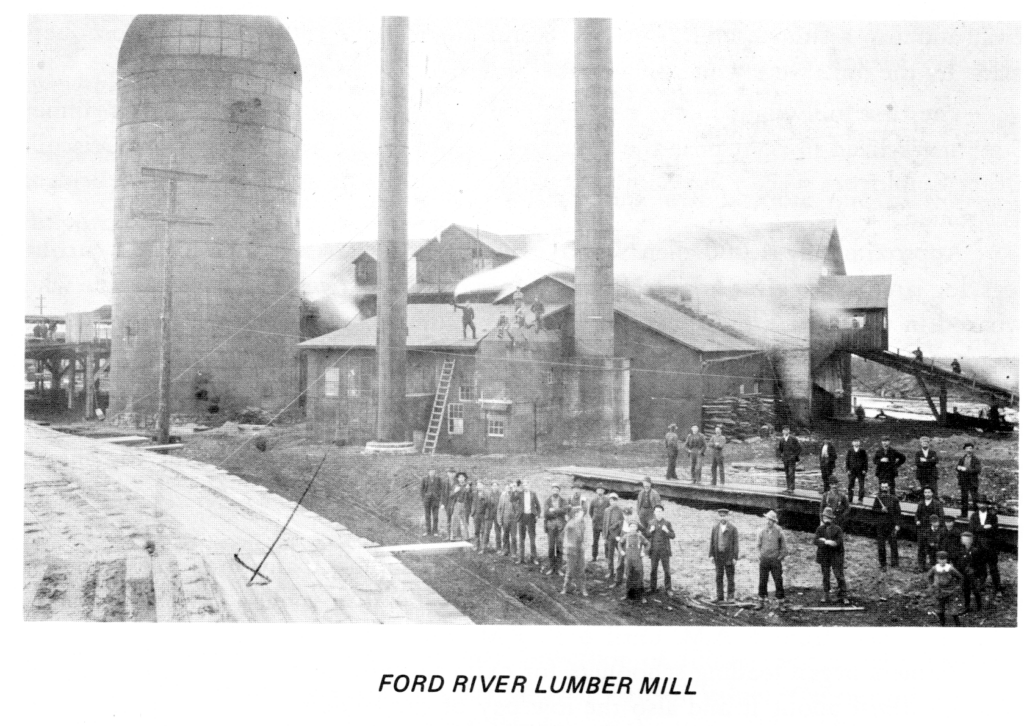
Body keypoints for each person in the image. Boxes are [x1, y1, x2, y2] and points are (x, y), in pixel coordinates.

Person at [814, 507, 849, 604]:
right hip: (824, 555)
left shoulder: (838, 529)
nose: (826, 519)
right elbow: (815, 540)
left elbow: (839, 542)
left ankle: (843, 595)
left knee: (839, 575)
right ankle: (826, 594)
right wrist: (823, 542)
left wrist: (832, 543)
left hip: (835, 555)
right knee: (825, 575)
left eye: (828, 517)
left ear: (832, 519)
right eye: (825, 517)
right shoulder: (820, 529)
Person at [969, 499, 1002, 599]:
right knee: (980, 567)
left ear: (987, 505)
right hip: (978, 546)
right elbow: (972, 529)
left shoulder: (992, 516)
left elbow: (995, 530)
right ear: (977, 504)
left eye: (984, 503)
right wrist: (985, 527)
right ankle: (980, 586)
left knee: (993, 568)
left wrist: (982, 528)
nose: (982, 505)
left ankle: (998, 588)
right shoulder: (974, 516)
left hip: (990, 546)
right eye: (980, 503)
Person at [756, 510, 787, 607]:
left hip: (775, 561)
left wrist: (779, 558)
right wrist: (759, 555)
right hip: (764, 560)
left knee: (778, 580)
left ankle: (781, 602)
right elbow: (758, 545)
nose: (768, 522)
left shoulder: (779, 532)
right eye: (767, 519)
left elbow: (784, 548)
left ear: (774, 522)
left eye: (771, 520)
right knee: (762, 580)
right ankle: (761, 600)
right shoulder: (761, 531)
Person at [709, 507, 739, 603]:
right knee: (719, 577)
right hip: (718, 556)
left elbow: (736, 544)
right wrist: (711, 555)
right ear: (719, 517)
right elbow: (712, 542)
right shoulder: (715, 527)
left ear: (727, 516)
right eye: (721, 516)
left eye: (724, 516)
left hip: (729, 556)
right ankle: (720, 597)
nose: (722, 518)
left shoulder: (733, 528)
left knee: (730, 577)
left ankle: (730, 597)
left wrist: (735, 557)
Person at [871, 481, 902, 570]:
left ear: (888, 488)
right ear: (881, 488)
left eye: (886, 487)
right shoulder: (878, 498)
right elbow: (873, 510)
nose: (884, 489)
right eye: (883, 487)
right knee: (881, 545)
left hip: (891, 525)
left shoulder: (894, 499)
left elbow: (898, 513)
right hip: (881, 525)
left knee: (893, 544)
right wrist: (881, 510)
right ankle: (883, 564)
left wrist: (897, 524)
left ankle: (894, 563)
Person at [927, 551, 963, 626]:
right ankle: (942, 623)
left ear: (947, 560)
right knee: (939, 609)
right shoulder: (935, 568)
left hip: (950, 591)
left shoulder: (950, 569)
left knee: (953, 610)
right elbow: (929, 576)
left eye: (944, 559)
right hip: (939, 592)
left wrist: (957, 586)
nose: (942, 561)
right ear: (937, 559)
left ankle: (958, 624)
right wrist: (932, 584)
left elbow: (960, 577)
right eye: (940, 559)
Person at [617, 520, 649, 602]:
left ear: (637, 528)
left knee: (639, 576)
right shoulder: (626, 536)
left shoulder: (640, 536)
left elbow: (648, 544)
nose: (632, 528)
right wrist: (621, 551)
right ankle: (628, 594)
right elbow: (619, 543)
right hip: (628, 559)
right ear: (629, 527)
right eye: (631, 526)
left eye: (634, 526)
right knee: (628, 576)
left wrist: (644, 552)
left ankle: (641, 596)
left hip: (637, 559)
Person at [953, 531, 985, 613]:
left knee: (975, 590)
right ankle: (966, 607)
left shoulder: (976, 551)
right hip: (964, 574)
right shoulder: (960, 551)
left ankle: (979, 606)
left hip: (973, 575)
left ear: (971, 540)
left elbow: (981, 564)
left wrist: (975, 571)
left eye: (967, 540)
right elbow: (957, 563)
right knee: (965, 590)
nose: (965, 541)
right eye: (963, 539)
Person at [647, 505, 675, 595]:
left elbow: (673, 535)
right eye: (656, 511)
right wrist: (650, 530)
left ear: (662, 512)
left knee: (666, 570)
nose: (658, 513)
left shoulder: (667, 523)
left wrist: (667, 531)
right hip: (654, 550)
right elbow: (647, 534)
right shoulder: (651, 522)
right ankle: (652, 588)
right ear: (654, 512)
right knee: (653, 570)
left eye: (660, 511)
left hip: (664, 550)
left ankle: (668, 589)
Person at [915, 486, 944, 571]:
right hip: (922, 529)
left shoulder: (937, 504)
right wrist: (917, 520)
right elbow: (917, 514)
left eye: (929, 492)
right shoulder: (921, 503)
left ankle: (933, 566)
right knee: (921, 548)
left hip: (932, 530)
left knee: (933, 548)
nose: (927, 494)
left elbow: (941, 516)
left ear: (932, 493)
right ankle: (921, 565)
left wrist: (937, 525)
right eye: (925, 492)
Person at [561, 507, 589, 596]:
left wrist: (583, 546)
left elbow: (583, 536)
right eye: (581, 513)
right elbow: (563, 536)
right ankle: (565, 588)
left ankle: (582, 589)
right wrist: (566, 548)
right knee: (570, 570)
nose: (583, 515)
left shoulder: (582, 523)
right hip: (571, 550)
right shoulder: (570, 524)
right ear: (576, 514)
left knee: (581, 570)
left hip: (580, 549)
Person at [543, 484, 569, 575]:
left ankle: (559, 568)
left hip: (560, 527)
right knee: (551, 548)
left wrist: (553, 510)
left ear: (559, 491)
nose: (555, 491)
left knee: (559, 548)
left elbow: (565, 510)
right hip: (550, 527)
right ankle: (551, 567)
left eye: (557, 490)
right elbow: (546, 514)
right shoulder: (547, 501)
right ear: (551, 491)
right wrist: (557, 512)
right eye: (553, 490)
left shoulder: (563, 500)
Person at [517, 481, 542, 565]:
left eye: (526, 485)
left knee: (532, 539)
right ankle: (521, 558)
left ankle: (534, 558)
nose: (525, 486)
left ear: (529, 485)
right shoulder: (519, 494)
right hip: (522, 517)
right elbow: (512, 499)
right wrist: (516, 490)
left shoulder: (533, 493)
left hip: (531, 517)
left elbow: (538, 506)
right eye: (524, 485)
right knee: (521, 539)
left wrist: (538, 515)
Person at [602, 493, 625, 581]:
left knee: (621, 554)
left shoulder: (620, 511)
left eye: (614, 500)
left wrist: (618, 535)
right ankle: (610, 571)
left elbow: (622, 523)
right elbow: (604, 523)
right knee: (609, 554)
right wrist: (604, 535)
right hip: (609, 536)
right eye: (611, 500)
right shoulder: (607, 510)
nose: (612, 502)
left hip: (617, 536)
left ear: (617, 501)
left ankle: (621, 572)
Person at [956, 443, 982, 516]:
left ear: (972, 449)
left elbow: (977, 470)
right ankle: (964, 514)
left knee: (975, 498)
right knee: (964, 498)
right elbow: (957, 467)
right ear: (965, 449)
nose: (969, 450)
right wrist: (958, 468)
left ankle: (977, 515)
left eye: (970, 448)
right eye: (967, 448)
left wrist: (966, 469)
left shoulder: (976, 459)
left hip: (972, 481)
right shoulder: (962, 459)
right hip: (964, 481)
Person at [471, 481, 497, 553]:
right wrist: (473, 512)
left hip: (483, 515)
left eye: (480, 485)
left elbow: (490, 505)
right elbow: (473, 502)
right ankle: (476, 545)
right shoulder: (475, 493)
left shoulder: (487, 494)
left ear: (483, 486)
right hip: (476, 514)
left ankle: (483, 547)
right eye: (478, 485)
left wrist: (485, 500)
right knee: (476, 531)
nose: (479, 487)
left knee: (483, 531)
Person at [497, 481, 521, 557]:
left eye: (510, 487)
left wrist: (517, 517)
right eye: (507, 487)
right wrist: (499, 519)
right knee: (505, 535)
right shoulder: (502, 496)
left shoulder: (516, 495)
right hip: (505, 518)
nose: (509, 489)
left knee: (513, 536)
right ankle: (505, 550)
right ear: (505, 488)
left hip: (513, 519)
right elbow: (499, 508)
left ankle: (514, 552)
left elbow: (518, 507)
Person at [588, 486, 611, 563]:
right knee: (595, 541)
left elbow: (610, 511)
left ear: (604, 491)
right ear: (596, 491)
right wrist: (594, 518)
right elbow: (590, 511)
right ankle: (594, 557)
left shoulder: (607, 500)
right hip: (596, 524)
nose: (600, 491)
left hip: (604, 523)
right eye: (598, 490)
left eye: (601, 490)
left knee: (606, 540)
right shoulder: (593, 500)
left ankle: (607, 557)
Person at [777, 426, 802, 492]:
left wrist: (794, 456)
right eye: (784, 430)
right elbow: (780, 449)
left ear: (789, 431)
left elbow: (799, 448)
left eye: (787, 430)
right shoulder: (782, 439)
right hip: (785, 459)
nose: (786, 431)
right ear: (782, 431)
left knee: (791, 473)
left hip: (792, 459)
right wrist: (780, 456)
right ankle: (788, 487)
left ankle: (791, 488)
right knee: (787, 473)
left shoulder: (793, 438)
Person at [420, 468, 443, 537]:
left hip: (435, 500)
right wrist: (424, 498)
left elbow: (441, 489)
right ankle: (428, 531)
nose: (432, 472)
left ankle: (435, 531)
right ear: (428, 472)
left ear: (435, 472)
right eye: (430, 471)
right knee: (427, 516)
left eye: (433, 471)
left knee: (435, 516)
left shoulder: (438, 479)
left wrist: (439, 498)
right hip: (427, 500)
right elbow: (422, 489)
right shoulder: (424, 479)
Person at [448, 473, 471, 542]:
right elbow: (450, 496)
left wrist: (468, 490)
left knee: (465, 521)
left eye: (462, 477)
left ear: (464, 478)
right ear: (458, 479)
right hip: (457, 504)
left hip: (465, 505)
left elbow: (470, 497)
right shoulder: (455, 486)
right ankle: (453, 536)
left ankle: (467, 537)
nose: (461, 479)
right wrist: (455, 491)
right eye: (459, 477)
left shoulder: (468, 486)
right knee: (455, 520)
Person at [846, 438, 869, 502]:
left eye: (857, 441)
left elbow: (865, 461)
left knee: (861, 485)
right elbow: (847, 460)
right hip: (852, 471)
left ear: (859, 443)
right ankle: (850, 499)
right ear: (852, 443)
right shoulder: (850, 451)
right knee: (850, 485)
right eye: (855, 442)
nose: (856, 443)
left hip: (861, 471)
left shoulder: (862, 451)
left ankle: (860, 499)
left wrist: (865, 469)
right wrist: (847, 469)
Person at [442, 468, 457, 536]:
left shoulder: (457, 482)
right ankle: (448, 535)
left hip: (455, 503)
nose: (451, 475)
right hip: (447, 503)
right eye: (450, 473)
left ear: (455, 474)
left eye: (453, 473)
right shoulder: (445, 482)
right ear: (447, 473)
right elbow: (443, 494)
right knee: (448, 518)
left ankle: (455, 535)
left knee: (455, 519)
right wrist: (442, 503)